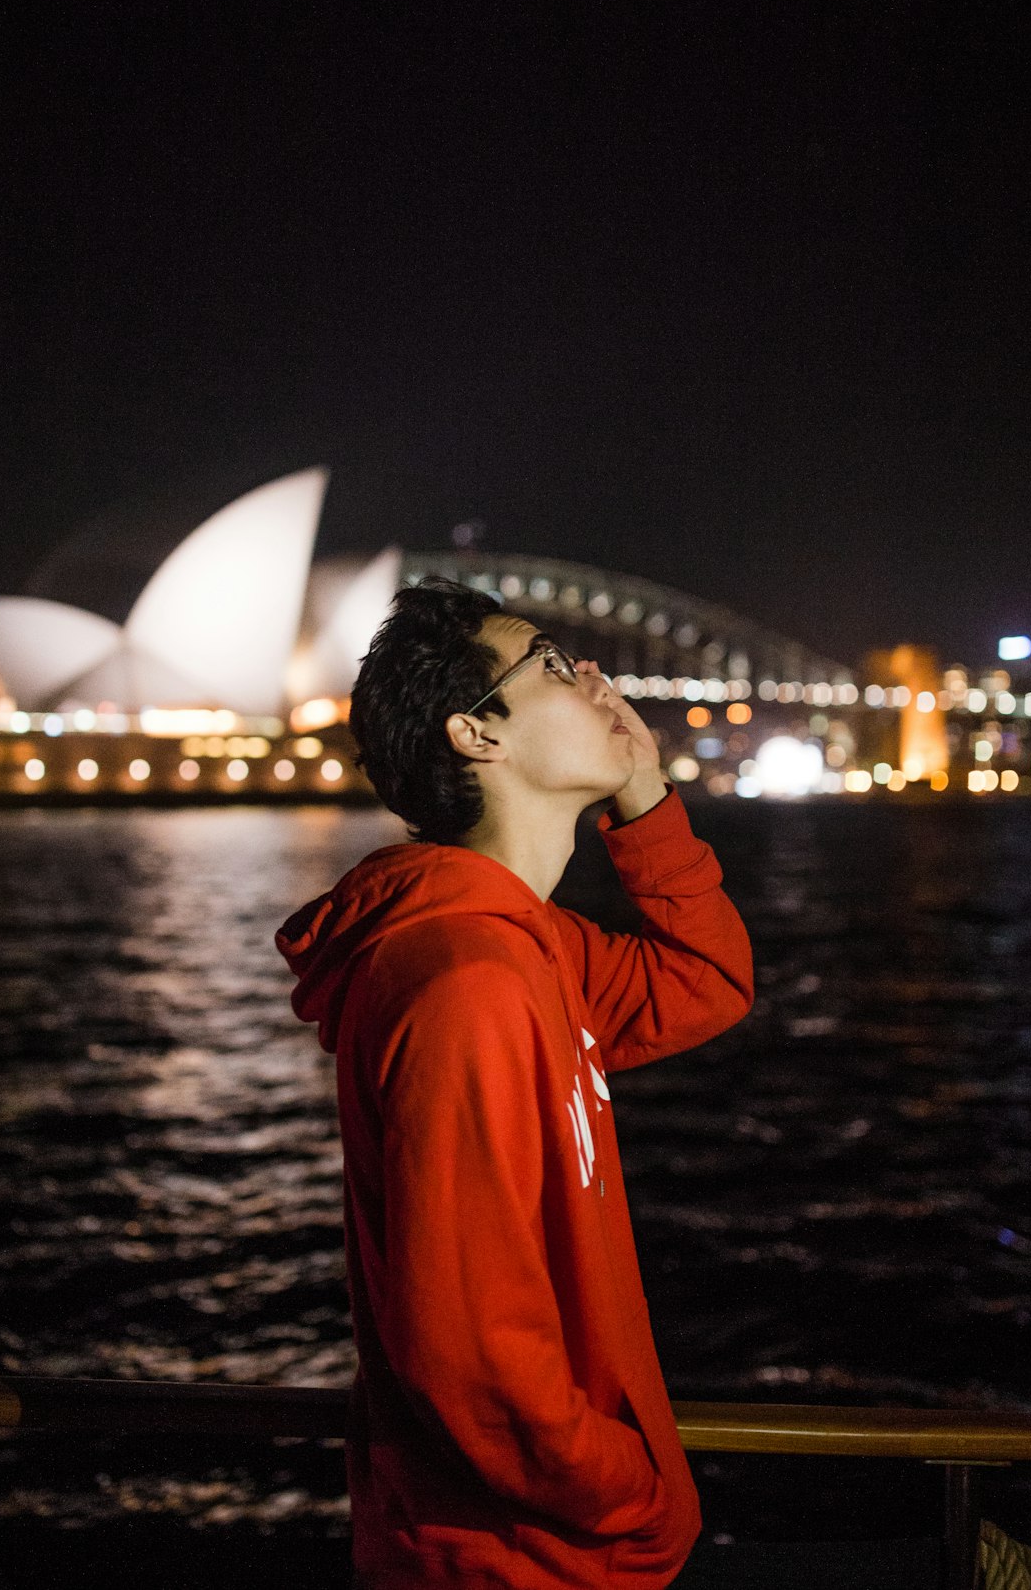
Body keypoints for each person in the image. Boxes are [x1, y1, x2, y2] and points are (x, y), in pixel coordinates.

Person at [276, 576, 754, 1589]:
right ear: (476, 733)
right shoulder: (466, 983)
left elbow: (705, 983)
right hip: (522, 1560)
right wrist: (634, 1494)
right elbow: (472, 1356)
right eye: (550, 664)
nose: (592, 676)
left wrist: (645, 796)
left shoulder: (530, 948)